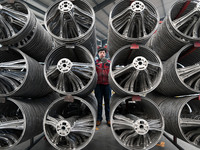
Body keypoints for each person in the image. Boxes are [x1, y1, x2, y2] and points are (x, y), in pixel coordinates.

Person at [95, 47, 111, 127]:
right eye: (100, 52)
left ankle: (108, 119)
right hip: (98, 85)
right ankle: (99, 119)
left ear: (105, 54)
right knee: (99, 103)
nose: (102, 54)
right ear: (98, 54)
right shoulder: (95, 63)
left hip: (107, 85)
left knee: (108, 103)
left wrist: (109, 65)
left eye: (103, 52)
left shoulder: (109, 62)